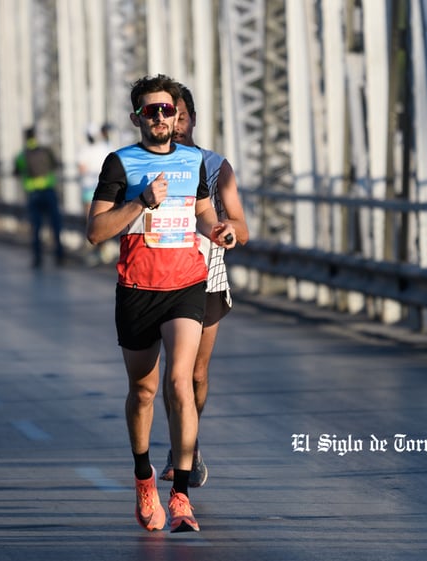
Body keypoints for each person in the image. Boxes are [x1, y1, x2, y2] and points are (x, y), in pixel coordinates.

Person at [86, 74, 236, 533]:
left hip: (185, 284)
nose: (160, 118)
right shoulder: (120, 164)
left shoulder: (194, 161)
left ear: (177, 116)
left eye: (166, 110)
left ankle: (181, 496)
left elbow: (204, 211)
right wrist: (140, 203)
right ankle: (143, 478)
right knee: (144, 392)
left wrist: (218, 230)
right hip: (137, 288)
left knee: (180, 382)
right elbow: (95, 232)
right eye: (150, 111)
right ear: (137, 118)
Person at [159, 85, 250, 487]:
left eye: (179, 116)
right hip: (162, 280)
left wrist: (230, 229)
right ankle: (180, 446)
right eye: (163, 116)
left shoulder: (216, 167)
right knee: (174, 373)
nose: (173, 125)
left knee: (195, 373)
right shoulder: (145, 166)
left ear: (192, 119)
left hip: (209, 279)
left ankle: (190, 445)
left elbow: (243, 227)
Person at [14, 127, 64, 268]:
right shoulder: (46, 151)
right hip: (49, 191)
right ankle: (59, 255)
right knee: (55, 225)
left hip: (33, 194)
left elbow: (16, 172)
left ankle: (37, 258)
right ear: (36, 136)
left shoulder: (21, 155)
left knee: (36, 228)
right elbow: (55, 166)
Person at [77, 123, 112, 265]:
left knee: (91, 223)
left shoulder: (84, 150)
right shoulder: (105, 148)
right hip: (103, 189)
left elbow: (81, 168)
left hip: (88, 189)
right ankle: (103, 251)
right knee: (104, 221)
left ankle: (97, 252)